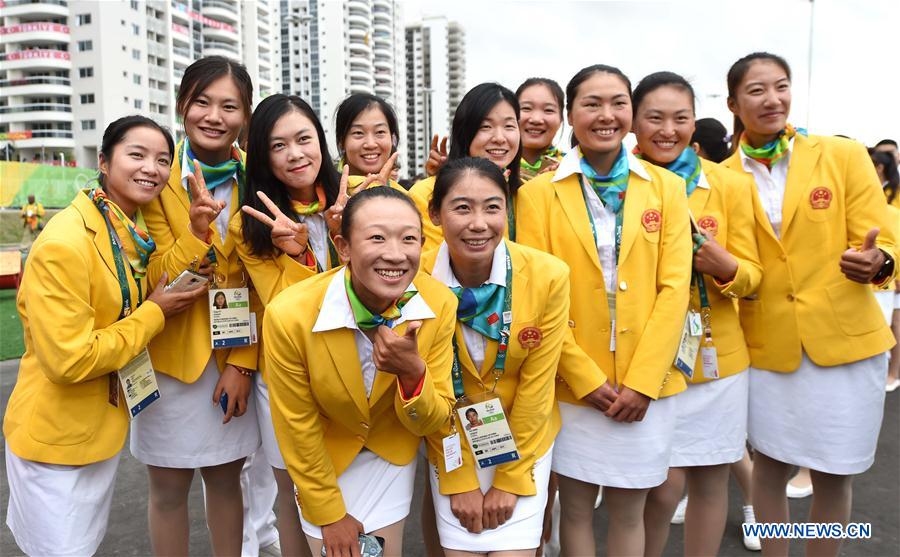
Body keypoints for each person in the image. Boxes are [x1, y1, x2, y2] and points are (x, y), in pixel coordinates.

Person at [3, 116, 205, 557]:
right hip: (56, 441)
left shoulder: (124, 229)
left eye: (162, 160)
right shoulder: (65, 242)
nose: (151, 168)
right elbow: (69, 361)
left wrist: (197, 234)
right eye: (137, 155)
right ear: (104, 161)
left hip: (94, 433)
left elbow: (151, 282)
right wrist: (155, 312)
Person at [722, 51, 897, 557]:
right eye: (756, 90)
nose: (772, 99)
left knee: (833, 475)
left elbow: (887, 237)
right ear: (734, 103)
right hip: (767, 347)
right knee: (771, 470)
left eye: (781, 86)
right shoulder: (721, 176)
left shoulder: (840, 155)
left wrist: (879, 262)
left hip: (845, 342)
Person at [517, 64, 692, 557]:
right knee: (573, 510)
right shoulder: (537, 195)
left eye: (618, 102)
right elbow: (537, 296)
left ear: (632, 113)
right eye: (591, 104)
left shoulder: (666, 189)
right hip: (575, 386)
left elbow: (674, 288)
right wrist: (586, 380)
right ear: (570, 115)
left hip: (647, 385)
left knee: (629, 512)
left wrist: (642, 382)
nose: (606, 115)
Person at [263, 186, 458, 557]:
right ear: (344, 247)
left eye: (409, 239)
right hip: (323, 454)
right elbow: (296, 424)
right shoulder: (289, 315)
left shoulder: (438, 303)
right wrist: (331, 513)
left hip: (389, 451)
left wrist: (412, 375)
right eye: (377, 238)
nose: (395, 254)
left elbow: (434, 420)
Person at [134, 56, 266, 557]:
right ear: (182, 105)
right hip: (169, 359)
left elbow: (262, 283)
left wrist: (243, 363)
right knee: (168, 489)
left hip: (234, 358)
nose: (214, 115)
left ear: (246, 116)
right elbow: (156, 276)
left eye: (229, 106)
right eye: (202, 102)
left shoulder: (259, 177)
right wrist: (195, 233)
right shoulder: (155, 175)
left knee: (227, 483)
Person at [628, 71, 762, 557]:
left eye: (680, 118)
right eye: (654, 118)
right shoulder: (618, 184)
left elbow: (755, 276)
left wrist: (725, 267)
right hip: (645, 360)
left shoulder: (729, 184)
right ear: (633, 123)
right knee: (657, 489)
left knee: (710, 481)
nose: (668, 129)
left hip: (715, 359)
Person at [422, 156, 567, 556]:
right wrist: (460, 477)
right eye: (462, 207)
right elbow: (430, 389)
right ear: (435, 213)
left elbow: (538, 389)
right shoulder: (415, 281)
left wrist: (509, 478)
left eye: (492, 207)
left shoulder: (548, 276)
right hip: (450, 441)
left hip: (525, 440)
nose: (479, 223)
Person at [410, 83, 523, 250]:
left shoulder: (525, 194)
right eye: (486, 126)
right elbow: (428, 265)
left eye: (509, 126)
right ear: (465, 132)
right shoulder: (425, 193)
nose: (500, 138)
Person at [334, 93, 406, 193]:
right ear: (341, 141)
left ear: (392, 138)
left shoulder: (406, 199)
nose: (371, 144)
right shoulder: (323, 197)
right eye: (358, 133)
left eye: (380, 132)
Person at [516, 78, 565, 182]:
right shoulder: (491, 166)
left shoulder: (572, 169)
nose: (536, 119)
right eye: (526, 108)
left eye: (548, 110)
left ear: (561, 119)